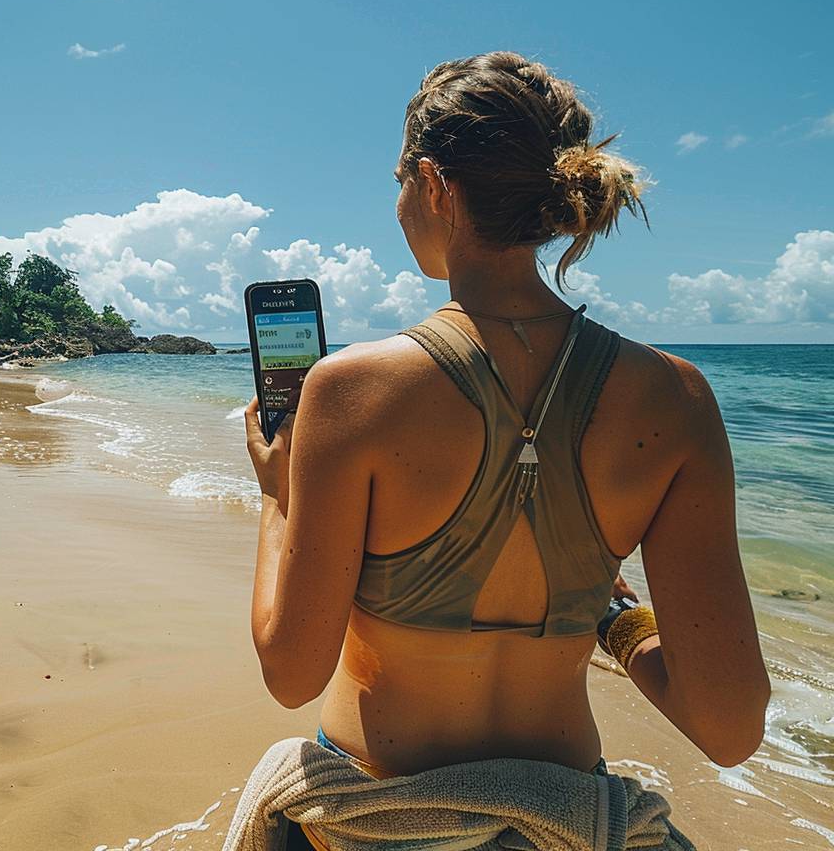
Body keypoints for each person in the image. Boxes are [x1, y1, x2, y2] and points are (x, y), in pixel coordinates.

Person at [242, 52, 769, 849]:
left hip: (377, 819)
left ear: (433, 184)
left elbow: (289, 674)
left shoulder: (352, 389)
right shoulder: (676, 397)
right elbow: (730, 730)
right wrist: (613, 618)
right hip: (566, 821)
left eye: (398, 184)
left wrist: (278, 498)